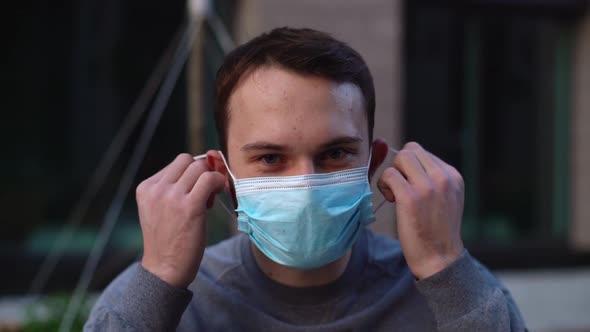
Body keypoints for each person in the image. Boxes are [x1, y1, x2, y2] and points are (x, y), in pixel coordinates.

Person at [85, 27, 527, 331]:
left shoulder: (451, 292)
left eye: (334, 153)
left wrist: (443, 266)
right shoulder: (157, 297)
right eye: (271, 157)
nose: (305, 183)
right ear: (223, 174)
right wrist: (160, 277)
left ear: (373, 164)